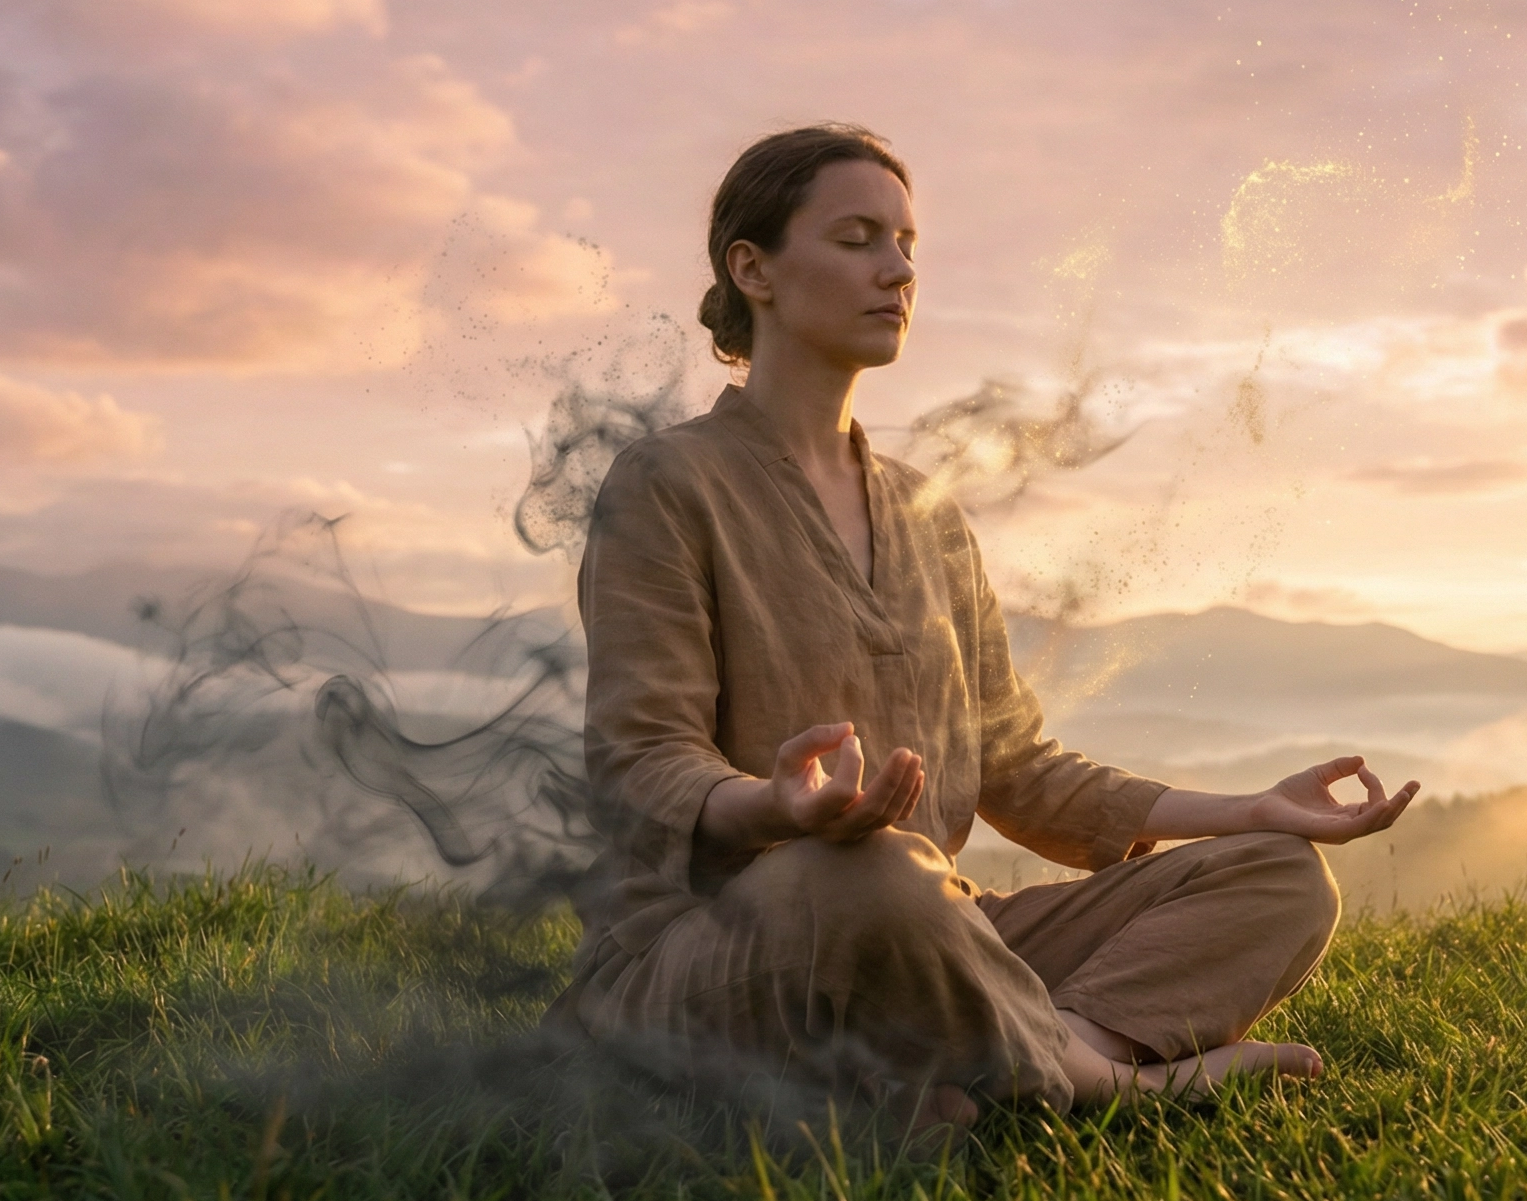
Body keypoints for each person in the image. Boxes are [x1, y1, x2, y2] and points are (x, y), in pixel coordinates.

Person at [551, 124, 1419, 1131]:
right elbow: (641, 760)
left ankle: (1018, 1061)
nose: (898, 271)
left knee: (1276, 878)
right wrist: (776, 811)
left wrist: (1251, 810)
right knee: (867, 870)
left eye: (908, 246)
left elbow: (1015, 768)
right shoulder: (669, 482)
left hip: (936, 930)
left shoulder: (928, 514)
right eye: (859, 238)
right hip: (723, 950)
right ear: (754, 269)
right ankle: (1105, 1084)